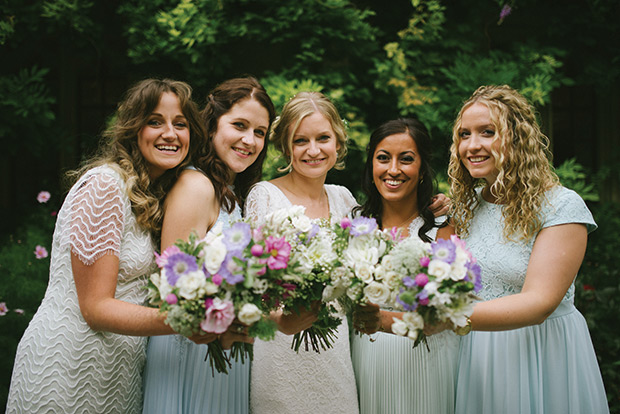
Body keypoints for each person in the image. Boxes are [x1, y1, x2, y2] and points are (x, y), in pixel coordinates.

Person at [6, 78, 209, 413]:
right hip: (68, 366)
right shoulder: (104, 185)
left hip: (117, 375)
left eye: (181, 124)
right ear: (133, 129)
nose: (170, 133)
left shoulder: (151, 198)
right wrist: (188, 320)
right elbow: (95, 307)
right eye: (155, 121)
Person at [447, 85, 609, 413]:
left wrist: (444, 317)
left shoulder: (561, 206)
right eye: (464, 135)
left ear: (517, 138)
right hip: (475, 356)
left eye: (487, 132)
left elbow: (540, 303)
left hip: (540, 354)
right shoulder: (466, 209)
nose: (471, 145)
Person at [141, 76, 276, 414]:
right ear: (213, 124)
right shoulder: (195, 186)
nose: (250, 140)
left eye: (259, 132)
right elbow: (173, 289)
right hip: (191, 351)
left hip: (222, 349)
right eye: (240, 125)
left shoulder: (230, 192)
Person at [245, 91, 361, 414]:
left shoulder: (344, 200)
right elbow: (250, 290)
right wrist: (281, 321)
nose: (313, 150)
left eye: (323, 138)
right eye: (300, 141)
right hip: (280, 354)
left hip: (336, 353)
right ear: (286, 147)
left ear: (337, 142)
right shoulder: (264, 196)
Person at [349, 118, 460, 414]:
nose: (393, 170)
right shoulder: (355, 227)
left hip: (425, 359)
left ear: (422, 169)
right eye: (383, 158)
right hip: (367, 358)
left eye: (406, 159)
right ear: (371, 165)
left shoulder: (443, 227)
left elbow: (450, 310)